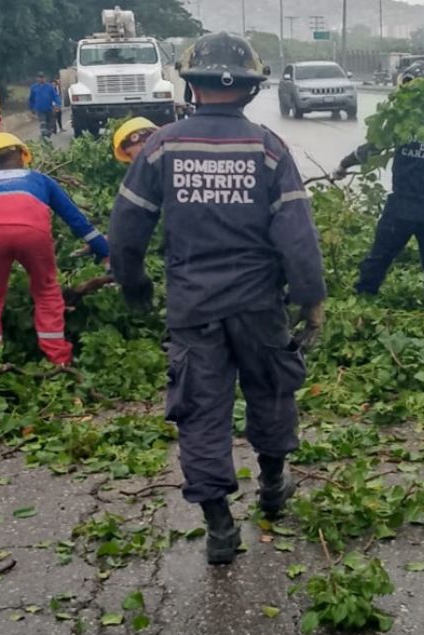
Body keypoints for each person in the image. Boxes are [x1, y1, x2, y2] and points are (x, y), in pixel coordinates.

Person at [107, 33, 326, 566]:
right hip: (259, 307)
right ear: (251, 88)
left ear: (192, 83)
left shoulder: (161, 146)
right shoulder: (268, 147)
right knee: (272, 391)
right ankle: (273, 487)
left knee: (201, 414)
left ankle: (220, 526)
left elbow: (126, 230)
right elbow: (297, 234)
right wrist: (311, 299)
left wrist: (135, 288)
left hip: (193, 309)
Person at [0, 132, 109, 366]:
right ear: (22, 155)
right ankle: (58, 360)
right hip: (33, 233)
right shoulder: (40, 180)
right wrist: (105, 252)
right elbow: (77, 221)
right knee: (46, 292)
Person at [333, 66, 424, 310]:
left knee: (378, 259)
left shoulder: (401, 123)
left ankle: (361, 302)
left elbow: (371, 149)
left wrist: (343, 165)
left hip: (401, 208)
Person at [28, 72, 60, 139]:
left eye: (42, 77)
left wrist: (58, 105)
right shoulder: (34, 87)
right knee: (43, 124)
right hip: (40, 110)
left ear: (45, 78)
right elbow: (31, 99)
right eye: (39, 77)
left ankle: (47, 136)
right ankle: (44, 138)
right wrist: (31, 108)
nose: (41, 79)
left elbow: (55, 96)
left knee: (50, 126)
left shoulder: (49, 87)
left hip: (49, 109)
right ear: (37, 78)